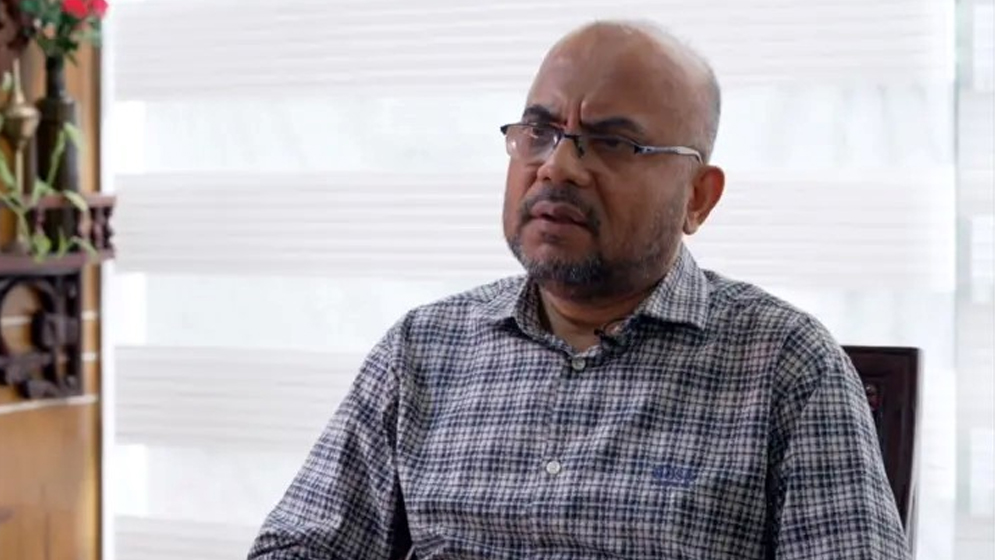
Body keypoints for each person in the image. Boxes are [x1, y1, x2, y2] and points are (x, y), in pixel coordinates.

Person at [248, 20, 910, 560]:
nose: (558, 166)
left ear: (697, 198)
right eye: (539, 133)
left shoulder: (784, 364)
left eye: (613, 143)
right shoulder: (424, 349)